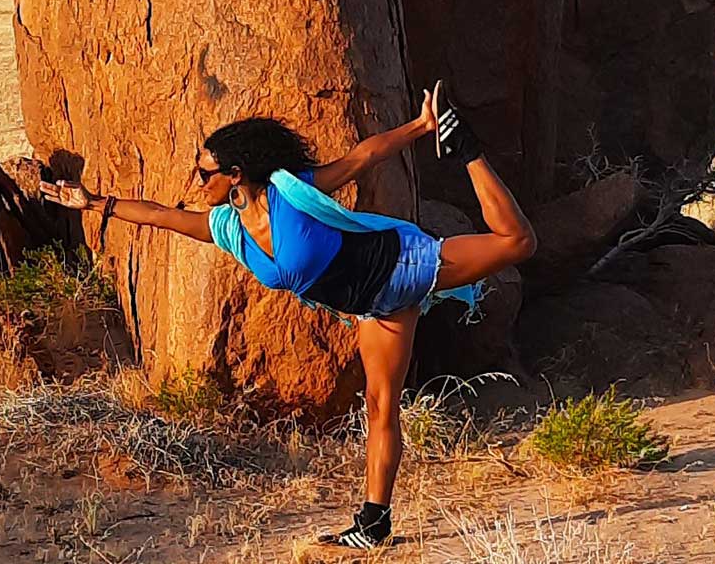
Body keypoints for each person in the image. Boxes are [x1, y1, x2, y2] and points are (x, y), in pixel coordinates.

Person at [42, 82, 537, 549]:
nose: (198, 182)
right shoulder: (229, 227)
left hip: (402, 265)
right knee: (380, 406)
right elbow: (162, 217)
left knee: (517, 242)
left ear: (236, 174)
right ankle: (373, 523)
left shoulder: (293, 191)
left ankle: (466, 149)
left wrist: (421, 127)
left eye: (204, 173)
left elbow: (363, 157)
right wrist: (93, 203)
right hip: (372, 307)